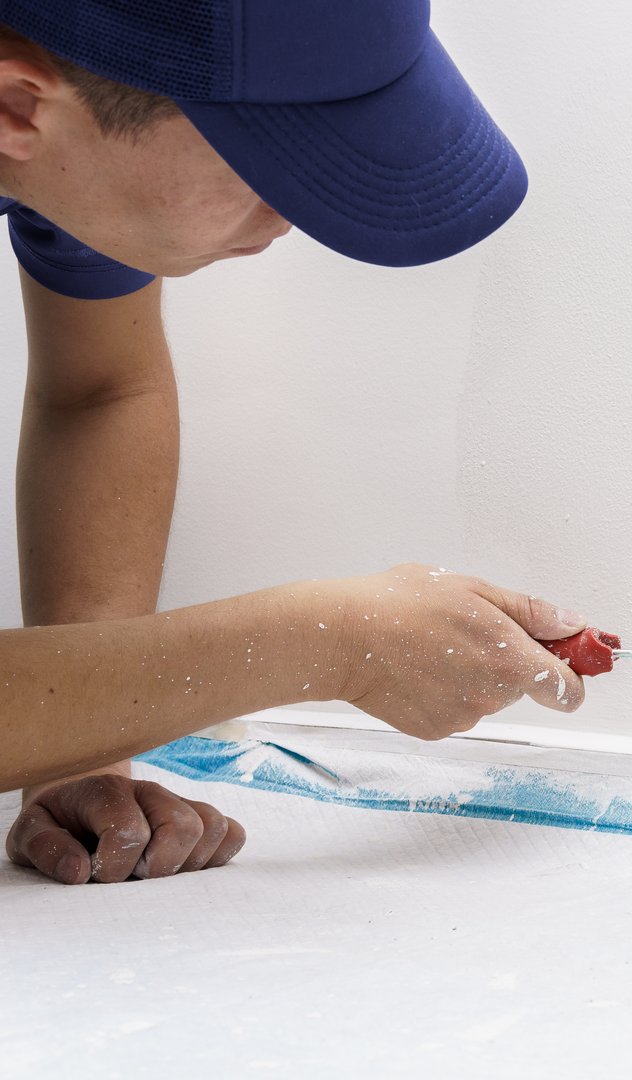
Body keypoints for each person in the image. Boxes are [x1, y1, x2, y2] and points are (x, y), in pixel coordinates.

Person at [0, 1, 590, 885]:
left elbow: (100, 391)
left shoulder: (70, 155)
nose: (303, 214)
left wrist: (85, 746)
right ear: (17, 104)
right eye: (266, 160)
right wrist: (326, 642)